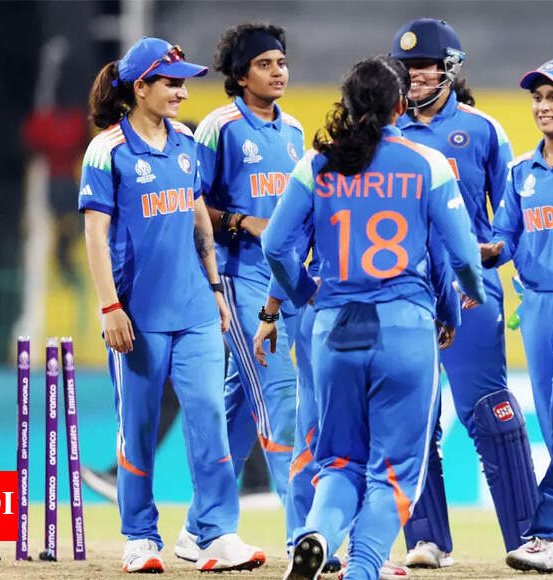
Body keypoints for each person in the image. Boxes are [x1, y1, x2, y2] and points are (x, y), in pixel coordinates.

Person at [261, 55, 485, 580]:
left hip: (334, 328)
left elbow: (274, 245)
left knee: (339, 460)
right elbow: (460, 257)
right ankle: (363, 567)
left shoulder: (315, 164)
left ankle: (316, 534)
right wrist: (462, 302)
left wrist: (306, 292)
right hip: (405, 328)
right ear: (400, 106)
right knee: (395, 470)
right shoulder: (428, 163)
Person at [79, 36, 265, 573]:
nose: (182, 92)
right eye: (172, 82)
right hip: (138, 316)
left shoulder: (185, 141)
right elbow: (95, 234)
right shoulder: (107, 150)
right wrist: (109, 307)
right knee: (138, 426)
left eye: (184, 83)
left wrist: (215, 289)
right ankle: (140, 536)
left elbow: (199, 216)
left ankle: (216, 533)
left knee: (209, 415)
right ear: (141, 87)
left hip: (197, 311)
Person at [388, 18, 536, 567]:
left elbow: (512, 214)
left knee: (489, 411)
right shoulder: (386, 130)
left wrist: (499, 250)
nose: (414, 76)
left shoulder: (483, 130)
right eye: (406, 67)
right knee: (410, 417)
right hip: (404, 291)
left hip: (470, 289)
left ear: (450, 69)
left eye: (424, 66)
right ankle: (426, 539)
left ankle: (528, 538)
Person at [172, 22, 305, 564]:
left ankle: (197, 528)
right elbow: (190, 202)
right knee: (280, 397)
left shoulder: (294, 129)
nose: (277, 72)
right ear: (240, 75)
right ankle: (307, 535)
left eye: (281, 62)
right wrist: (243, 223)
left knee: (240, 408)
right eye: (264, 64)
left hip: (285, 283)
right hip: (237, 277)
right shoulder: (219, 128)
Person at [483, 58, 553, 574]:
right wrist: (487, 252)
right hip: (536, 306)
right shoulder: (520, 172)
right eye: (537, 98)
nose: (544, 106)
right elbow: (505, 236)